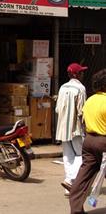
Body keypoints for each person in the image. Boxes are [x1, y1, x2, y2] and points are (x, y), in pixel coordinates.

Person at [69, 69, 106, 214]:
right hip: (104, 142)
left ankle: (76, 209)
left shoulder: (90, 100)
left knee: (83, 177)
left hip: (89, 142)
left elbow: (83, 121)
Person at [55, 62, 88, 197]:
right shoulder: (80, 88)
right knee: (81, 155)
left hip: (62, 128)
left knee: (68, 156)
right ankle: (70, 180)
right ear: (77, 74)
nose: (83, 74)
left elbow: (57, 109)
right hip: (76, 128)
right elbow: (82, 111)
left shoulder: (62, 87)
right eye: (81, 72)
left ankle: (69, 185)